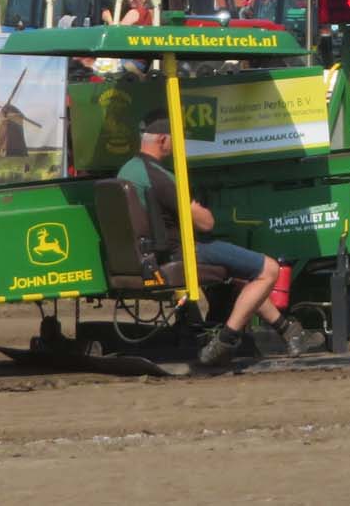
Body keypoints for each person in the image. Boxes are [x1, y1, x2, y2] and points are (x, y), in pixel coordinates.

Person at [117, 112, 304, 365]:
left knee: (241, 271)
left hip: (148, 252)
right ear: (162, 139)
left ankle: (285, 328)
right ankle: (227, 339)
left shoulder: (127, 170)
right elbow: (206, 223)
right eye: (176, 139)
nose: (178, 146)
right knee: (268, 270)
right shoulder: (159, 177)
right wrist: (200, 207)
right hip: (183, 251)